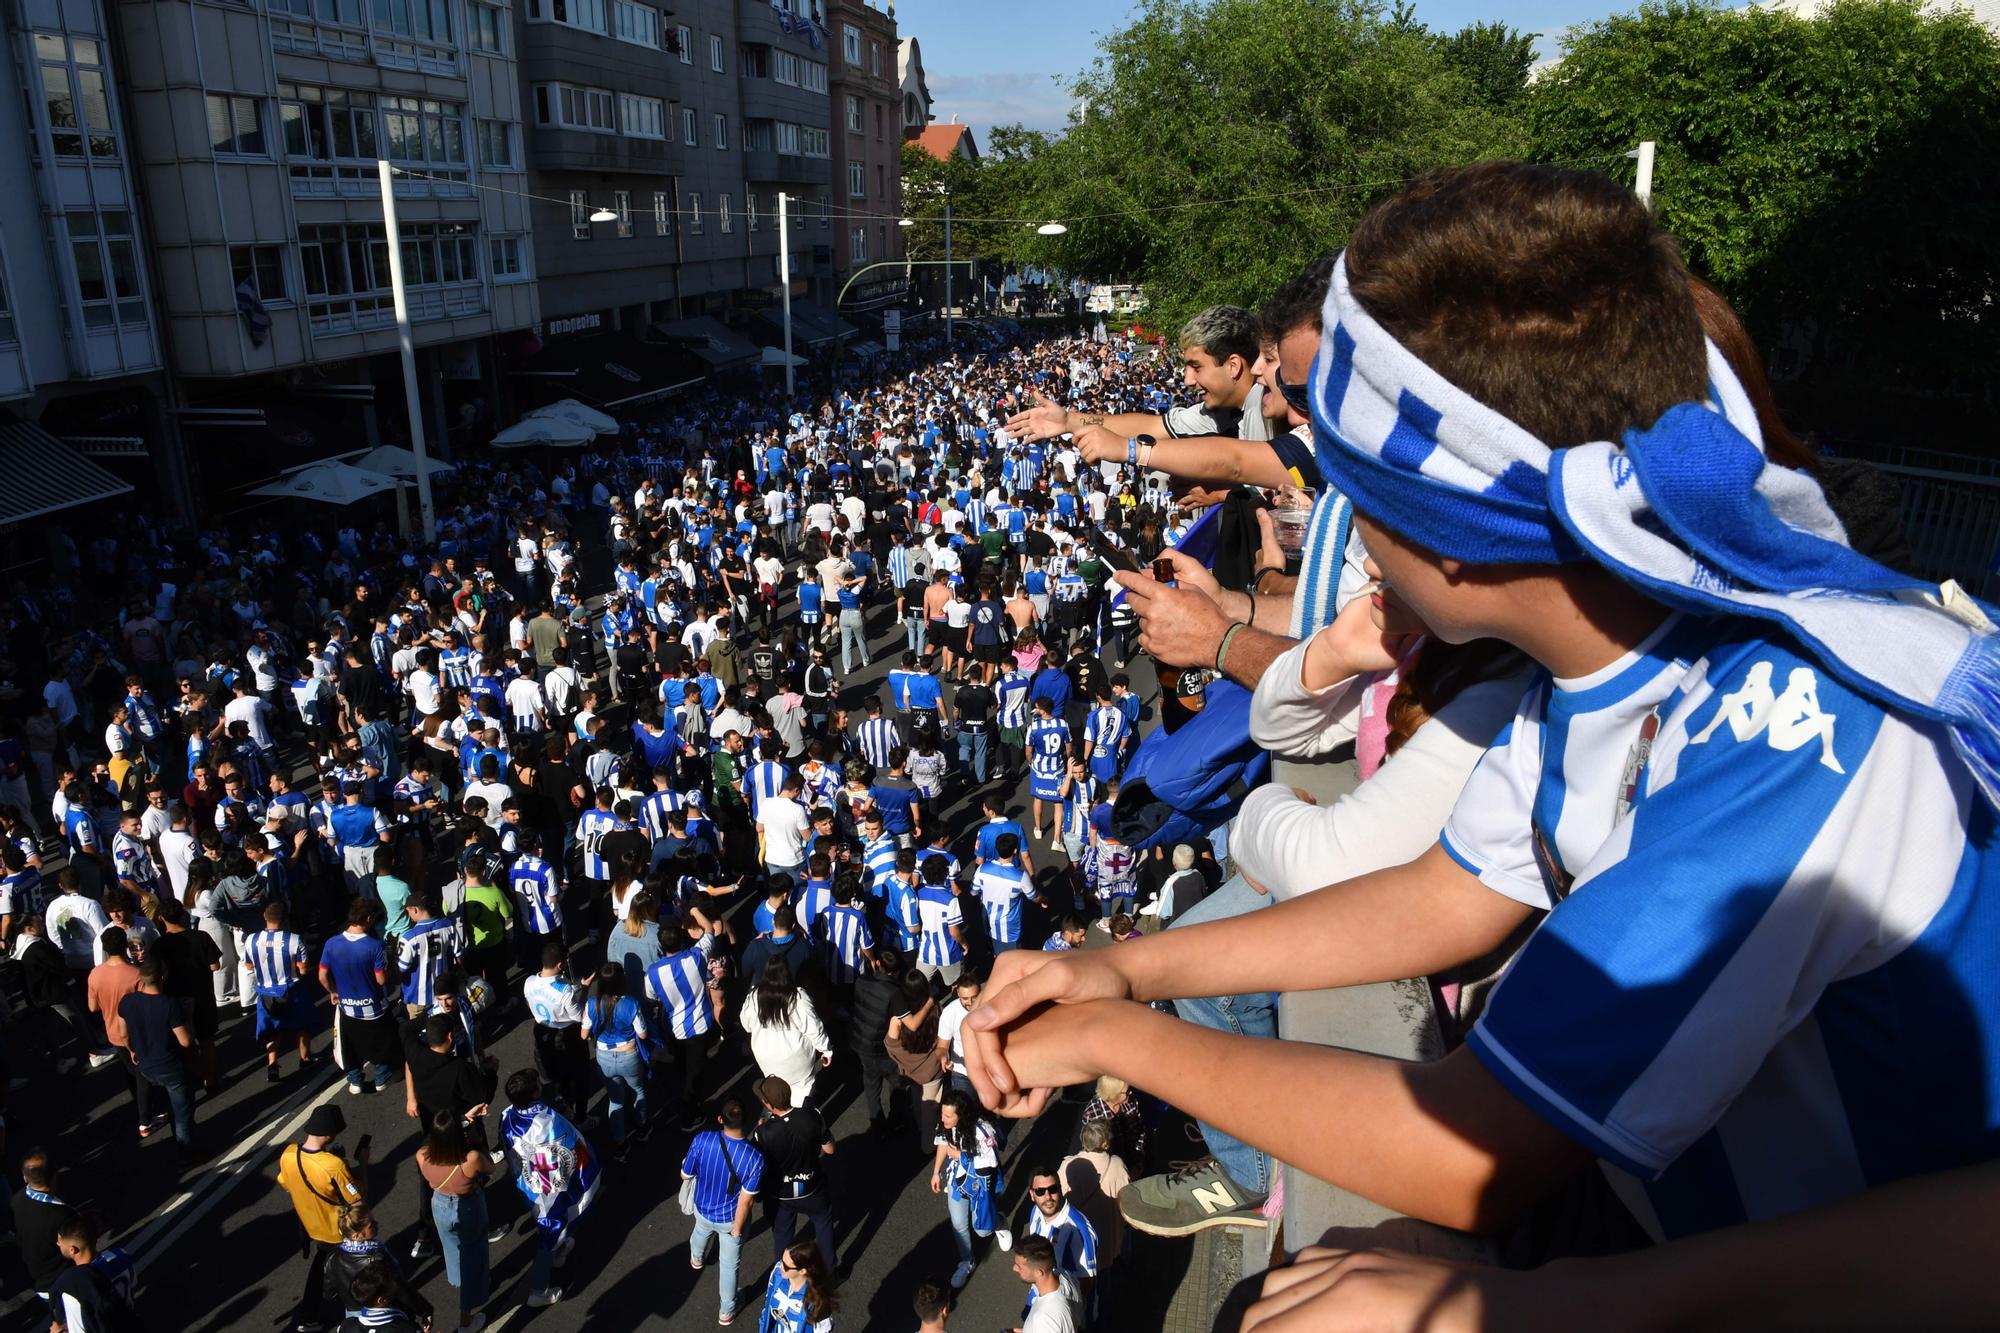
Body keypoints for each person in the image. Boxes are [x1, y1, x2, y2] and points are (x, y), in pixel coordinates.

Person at [963, 161, 2000, 1258]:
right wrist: (1126, 968)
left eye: (1357, 497)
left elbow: (1464, 1155)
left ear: (1450, 536)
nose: (1340, 535)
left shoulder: (1791, 736)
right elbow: (1442, 895)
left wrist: (1121, 1037)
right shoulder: (1605, 659)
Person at [498, 1069, 594, 1308]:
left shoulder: (506, 1115)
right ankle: (538, 1290)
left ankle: (559, 1250)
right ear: (533, 1094)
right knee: (549, 1230)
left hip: (525, 1183)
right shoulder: (546, 1123)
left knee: (550, 1228)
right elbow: (564, 1153)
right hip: (546, 1188)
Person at [277, 1104, 369, 1333]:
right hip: (337, 1228)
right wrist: (363, 1164)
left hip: (311, 1225)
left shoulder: (289, 1154)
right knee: (355, 1270)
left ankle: (309, 1315)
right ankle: (358, 1316)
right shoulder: (333, 1165)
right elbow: (357, 1197)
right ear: (330, 1133)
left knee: (321, 1264)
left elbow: (286, 1184)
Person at [681, 1096, 765, 1326]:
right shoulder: (754, 1158)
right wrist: (737, 1230)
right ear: (746, 1121)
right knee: (729, 1266)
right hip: (730, 1220)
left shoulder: (702, 1139)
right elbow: (746, 1202)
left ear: (720, 1119)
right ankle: (726, 1311)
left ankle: (696, 1258)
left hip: (702, 1207)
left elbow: (685, 1174)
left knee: (700, 1231)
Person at [414, 1108, 495, 1333]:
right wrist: (476, 1141)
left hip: (439, 1204)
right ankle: (465, 1320)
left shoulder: (422, 1155)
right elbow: (491, 1167)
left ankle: (458, 1279)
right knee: (474, 1252)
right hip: (467, 1206)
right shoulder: (471, 1159)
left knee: (451, 1247)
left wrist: (462, 1119)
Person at [751, 1075, 836, 1275]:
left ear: (769, 1104)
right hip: (812, 1188)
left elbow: (756, 1164)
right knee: (823, 1223)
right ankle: (829, 1272)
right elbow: (830, 1149)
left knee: (782, 1233)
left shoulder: (762, 1133)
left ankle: (782, 1274)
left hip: (780, 1194)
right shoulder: (812, 1115)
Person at [318, 898, 398, 1096]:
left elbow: (322, 975)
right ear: (369, 918)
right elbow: (380, 980)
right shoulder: (374, 946)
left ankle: (355, 1079)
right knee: (383, 1043)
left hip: (348, 1008)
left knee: (351, 1046)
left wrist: (333, 992)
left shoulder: (332, 943)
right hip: (374, 1007)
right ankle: (381, 1076)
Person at [930, 1089, 1006, 1291]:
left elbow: (990, 1164)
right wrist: (936, 1172)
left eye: (948, 1115)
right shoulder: (946, 1125)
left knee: (982, 1230)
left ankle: (998, 1222)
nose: (942, 1118)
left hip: (980, 1186)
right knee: (958, 1225)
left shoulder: (983, 1131)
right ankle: (967, 1261)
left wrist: (961, 1157)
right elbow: (943, 1144)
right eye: (942, 1113)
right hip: (956, 1182)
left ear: (961, 1115)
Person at [118, 958, 195, 1159]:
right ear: (163, 977)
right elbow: (185, 1041)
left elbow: (123, 1034)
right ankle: (185, 1154)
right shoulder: (169, 1005)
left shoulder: (127, 1001)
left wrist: (131, 1050)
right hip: (171, 1067)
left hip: (145, 1065)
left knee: (166, 1103)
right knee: (181, 1114)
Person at [581, 962, 651, 1158]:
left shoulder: (592, 1004)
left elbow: (583, 1033)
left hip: (604, 1057)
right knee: (638, 1090)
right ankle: (642, 1127)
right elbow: (643, 1034)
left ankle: (620, 1143)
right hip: (629, 1055)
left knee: (615, 1099)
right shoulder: (631, 1003)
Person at [740, 958, 832, 1106]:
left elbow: (746, 1025)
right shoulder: (798, 997)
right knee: (802, 1093)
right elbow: (814, 1028)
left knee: (776, 1093)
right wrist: (826, 1050)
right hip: (797, 1060)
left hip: (766, 1059)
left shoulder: (754, 996)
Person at [1021, 1169, 1099, 1324]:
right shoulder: (1036, 1212)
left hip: (1064, 1309)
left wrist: (1064, 1314)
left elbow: (1087, 1282)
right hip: (1040, 1294)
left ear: (1060, 1189)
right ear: (1032, 1194)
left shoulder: (1078, 1229)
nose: (1048, 1197)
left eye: (1052, 1189)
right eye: (1040, 1191)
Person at [47, 1212, 140, 1333]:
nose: (58, 1243)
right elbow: (133, 1283)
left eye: (60, 1242)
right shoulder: (121, 1255)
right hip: (128, 1321)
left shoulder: (74, 1290)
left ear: (72, 1250)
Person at [16, 1148, 79, 1305]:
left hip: (37, 1279)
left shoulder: (16, 1201)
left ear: (25, 1178)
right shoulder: (61, 1215)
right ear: (54, 1176)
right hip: (63, 1281)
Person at [756, 1238, 838, 1333]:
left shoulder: (817, 1300)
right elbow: (767, 1307)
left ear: (802, 1271)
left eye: (786, 1267)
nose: (780, 1266)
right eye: (782, 1260)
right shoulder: (777, 1275)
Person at [1009, 1236, 1077, 1333]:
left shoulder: (1042, 1320)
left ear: (1038, 1272)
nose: (1014, 1268)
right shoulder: (1067, 1276)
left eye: (1019, 1266)